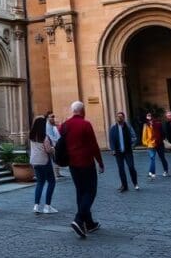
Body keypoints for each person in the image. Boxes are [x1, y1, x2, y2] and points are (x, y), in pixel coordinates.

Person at [60, 101, 104, 239]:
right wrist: (100, 162)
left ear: (72, 111)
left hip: (72, 164)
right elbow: (93, 145)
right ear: (82, 110)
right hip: (86, 162)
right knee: (90, 191)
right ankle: (78, 219)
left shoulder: (65, 125)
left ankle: (89, 223)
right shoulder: (85, 124)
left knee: (80, 192)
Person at [29, 116, 57, 214]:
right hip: (44, 161)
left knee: (40, 182)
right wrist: (53, 148)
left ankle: (36, 206)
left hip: (35, 161)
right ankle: (47, 206)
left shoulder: (32, 136)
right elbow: (48, 150)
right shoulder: (45, 137)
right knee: (52, 181)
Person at [108, 111, 139, 192]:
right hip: (118, 152)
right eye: (118, 117)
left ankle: (135, 183)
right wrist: (113, 149)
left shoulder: (128, 127)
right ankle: (124, 186)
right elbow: (111, 140)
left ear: (124, 118)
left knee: (131, 167)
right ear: (116, 118)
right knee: (121, 169)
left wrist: (131, 145)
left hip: (127, 151)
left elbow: (134, 137)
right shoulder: (113, 128)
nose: (119, 118)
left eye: (121, 116)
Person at [141, 112, 168, 179]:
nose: (149, 117)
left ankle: (165, 170)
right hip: (151, 144)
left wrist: (161, 139)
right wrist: (146, 143)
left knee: (162, 157)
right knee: (152, 158)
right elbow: (144, 135)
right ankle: (152, 173)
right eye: (147, 115)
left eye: (150, 115)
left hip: (159, 143)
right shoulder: (146, 125)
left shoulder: (158, 123)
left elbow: (163, 133)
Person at [45, 110, 64, 178]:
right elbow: (49, 136)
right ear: (47, 118)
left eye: (53, 116)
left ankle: (57, 173)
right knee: (53, 158)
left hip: (55, 143)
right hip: (51, 144)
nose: (53, 118)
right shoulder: (47, 126)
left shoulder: (52, 125)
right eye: (51, 117)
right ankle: (55, 174)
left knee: (55, 158)